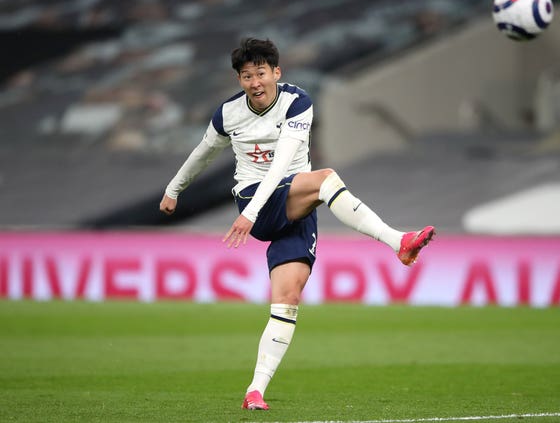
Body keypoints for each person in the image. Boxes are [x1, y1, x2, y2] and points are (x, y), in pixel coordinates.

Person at [159, 37, 435, 411]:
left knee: (287, 300)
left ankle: (255, 390)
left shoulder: (297, 102)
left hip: (294, 207)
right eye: (245, 76)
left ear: (276, 72)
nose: (254, 82)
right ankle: (398, 241)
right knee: (326, 179)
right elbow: (203, 153)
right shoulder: (228, 114)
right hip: (255, 196)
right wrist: (175, 190)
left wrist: (253, 214)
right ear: (238, 80)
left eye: (260, 73)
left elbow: (284, 163)